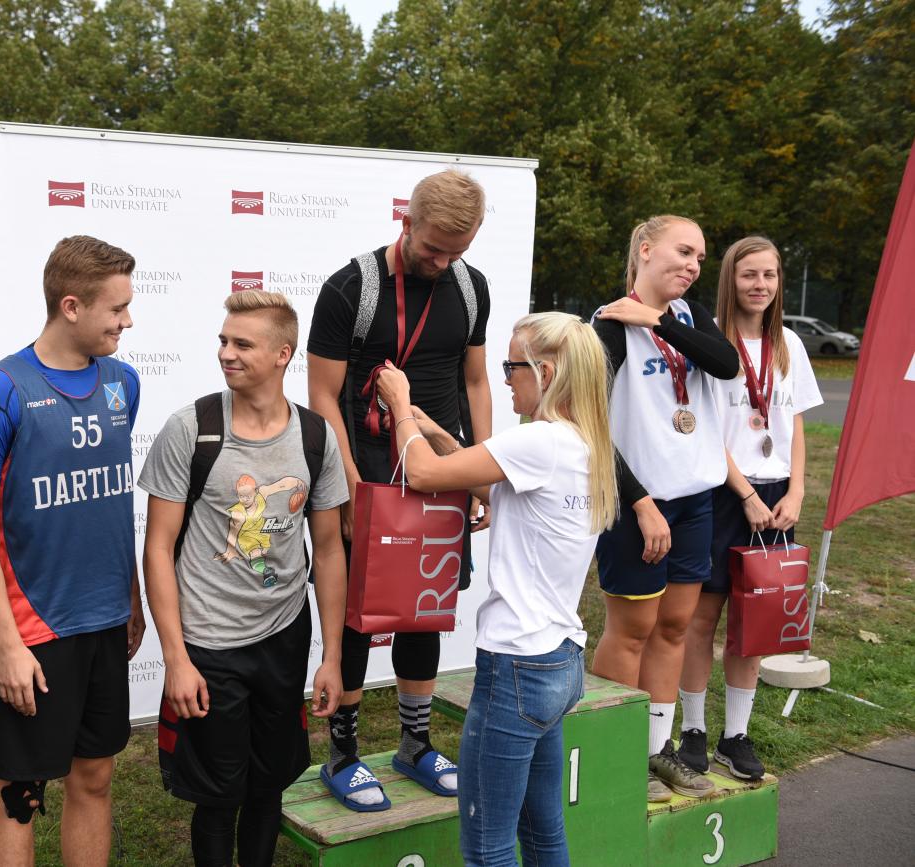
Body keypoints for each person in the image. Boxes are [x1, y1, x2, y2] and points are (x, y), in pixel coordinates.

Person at [376, 311, 617, 867]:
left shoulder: (539, 442)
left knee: (487, 850)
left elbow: (422, 474)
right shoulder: (581, 442)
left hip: (515, 666)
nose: (504, 379)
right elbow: (490, 481)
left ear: (546, 372)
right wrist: (433, 429)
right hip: (558, 660)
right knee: (543, 832)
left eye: (512, 367)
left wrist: (400, 406)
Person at [0, 235, 146, 867]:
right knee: (21, 793)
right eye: (116, 308)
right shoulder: (0, 391)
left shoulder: (122, 382)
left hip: (105, 620)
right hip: (32, 628)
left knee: (95, 777)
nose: (127, 320)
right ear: (71, 306)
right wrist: (8, 645)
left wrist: (132, 599)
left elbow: (108, 507)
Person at [140, 290, 347, 867]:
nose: (226, 353)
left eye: (242, 344)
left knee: (269, 784)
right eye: (223, 341)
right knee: (217, 795)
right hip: (209, 642)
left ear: (283, 354)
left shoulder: (315, 436)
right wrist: (176, 659)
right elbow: (158, 548)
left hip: (283, 637)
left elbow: (330, 550)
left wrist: (331, 656)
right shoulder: (192, 428)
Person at [307, 168, 492, 808]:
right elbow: (323, 396)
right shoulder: (351, 288)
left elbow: (475, 382)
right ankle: (343, 755)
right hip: (365, 472)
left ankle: (415, 744)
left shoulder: (470, 287)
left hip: (440, 470)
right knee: (359, 613)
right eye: (433, 248)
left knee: (425, 607)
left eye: (456, 253)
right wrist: (348, 488)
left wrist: (480, 469)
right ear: (405, 221)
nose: (442, 263)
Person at [591, 215, 740, 802]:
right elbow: (590, 429)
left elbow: (725, 363)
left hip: (694, 499)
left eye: (700, 257)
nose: (694, 265)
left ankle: (655, 753)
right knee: (632, 630)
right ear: (647, 250)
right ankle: (613, 755)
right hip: (637, 503)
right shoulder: (607, 324)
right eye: (684, 252)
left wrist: (657, 320)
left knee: (675, 626)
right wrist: (640, 502)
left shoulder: (686, 316)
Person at [677, 236, 822, 780]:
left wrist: (797, 491)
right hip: (724, 491)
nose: (760, 285)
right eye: (749, 275)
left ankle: (734, 736)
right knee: (703, 617)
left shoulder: (789, 344)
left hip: (777, 496)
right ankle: (693, 730)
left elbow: (795, 425)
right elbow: (706, 430)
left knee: (754, 622)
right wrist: (745, 494)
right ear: (730, 280)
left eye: (769, 275)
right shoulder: (713, 342)